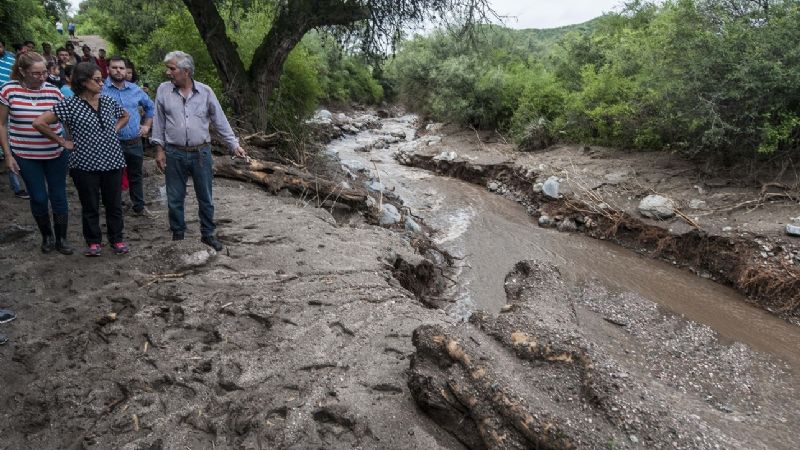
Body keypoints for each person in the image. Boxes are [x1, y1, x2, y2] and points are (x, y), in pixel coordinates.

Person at [152, 51, 247, 251]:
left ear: (186, 71)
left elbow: (220, 121)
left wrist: (234, 145)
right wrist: (159, 150)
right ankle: (178, 235)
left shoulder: (205, 92)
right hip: (174, 152)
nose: (168, 73)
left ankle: (208, 234)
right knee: (175, 197)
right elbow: (159, 122)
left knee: (206, 198)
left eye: (172, 69)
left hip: (201, 153)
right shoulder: (163, 90)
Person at [34, 62, 130, 256]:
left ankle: (117, 239)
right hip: (84, 164)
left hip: (112, 160)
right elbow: (39, 122)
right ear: (84, 82)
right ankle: (94, 242)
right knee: (90, 205)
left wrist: (114, 129)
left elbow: (125, 115)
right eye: (97, 80)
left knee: (114, 204)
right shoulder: (69, 104)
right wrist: (62, 141)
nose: (102, 83)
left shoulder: (108, 101)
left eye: (101, 80)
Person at [0, 52, 72, 254]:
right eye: (36, 74)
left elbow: (66, 120)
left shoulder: (53, 91)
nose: (42, 78)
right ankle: (47, 235)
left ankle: (62, 238)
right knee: (39, 197)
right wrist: (8, 154)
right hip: (25, 154)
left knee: (58, 196)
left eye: (44, 73)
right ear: (22, 72)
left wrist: (69, 141)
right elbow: (2, 124)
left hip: (56, 153)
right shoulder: (8, 91)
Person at [103, 56, 154, 216]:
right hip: (111, 142)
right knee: (112, 176)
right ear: (108, 69)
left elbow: (150, 107)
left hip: (134, 141)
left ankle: (138, 206)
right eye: (114, 67)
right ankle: (114, 208)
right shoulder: (100, 89)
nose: (118, 71)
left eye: (121, 68)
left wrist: (146, 125)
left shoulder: (135, 90)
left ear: (126, 70)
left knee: (136, 175)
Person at [0, 41, 29, 199]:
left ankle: (22, 185)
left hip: (15, 109)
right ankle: (17, 186)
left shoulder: (10, 60)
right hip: (4, 106)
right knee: (9, 145)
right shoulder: (9, 88)